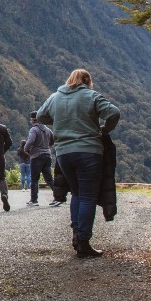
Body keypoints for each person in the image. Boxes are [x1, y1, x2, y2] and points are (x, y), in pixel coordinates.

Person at [36, 69, 120, 258]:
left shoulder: (55, 97)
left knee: (77, 194)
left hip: (64, 153)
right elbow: (114, 112)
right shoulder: (91, 96)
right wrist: (105, 129)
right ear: (87, 81)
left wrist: (58, 121)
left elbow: (40, 116)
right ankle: (83, 241)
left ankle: (76, 236)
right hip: (89, 152)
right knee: (88, 197)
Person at [24, 111, 57, 207]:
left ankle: (34, 200)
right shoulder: (47, 129)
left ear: (33, 120)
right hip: (47, 155)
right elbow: (54, 139)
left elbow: (30, 141)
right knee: (49, 178)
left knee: (34, 179)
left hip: (37, 156)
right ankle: (58, 196)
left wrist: (26, 149)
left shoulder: (33, 129)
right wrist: (48, 146)